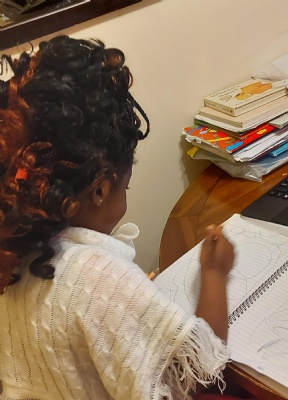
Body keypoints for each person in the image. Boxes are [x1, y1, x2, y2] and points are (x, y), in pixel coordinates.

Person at [0, 35, 243, 400]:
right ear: (99, 190)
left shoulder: (13, 245)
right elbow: (201, 377)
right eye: (124, 187)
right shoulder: (98, 279)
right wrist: (214, 273)